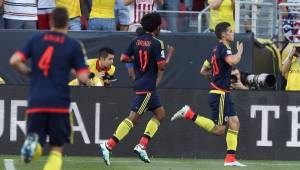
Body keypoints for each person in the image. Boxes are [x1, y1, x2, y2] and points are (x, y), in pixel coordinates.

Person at [9, 7, 90, 170]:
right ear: (67, 23)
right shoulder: (74, 45)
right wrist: (85, 77)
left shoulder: (36, 39)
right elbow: (83, 78)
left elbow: (14, 61)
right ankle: (35, 148)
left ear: (51, 21)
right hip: (59, 103)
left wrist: (30, 72)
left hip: (36, 100)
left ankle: (34, 146)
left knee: (38, 140)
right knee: (56, 150)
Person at [99, 12, 172, 166]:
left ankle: (141, 145)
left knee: (160, 114)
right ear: (157, 27)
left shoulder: (135, 41)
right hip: (147, 87)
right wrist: (169, 57)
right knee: (134, 118)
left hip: (142, 84)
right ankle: (108, 145)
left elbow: (123, 58)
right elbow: (162, 66)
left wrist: (137, 59)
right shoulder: (158, 43)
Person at [171, 22, 246, 167]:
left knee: (235, 123)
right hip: (220, 94)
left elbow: (203, 70)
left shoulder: (215, 50)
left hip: (223, 92)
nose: (233, 33)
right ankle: (188, 113)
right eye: (230, 31)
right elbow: (232, 61)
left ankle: (230, 159)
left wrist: (216, 79)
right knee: (219, 130)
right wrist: (240, 52)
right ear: (223, 34)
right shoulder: (224, 48)